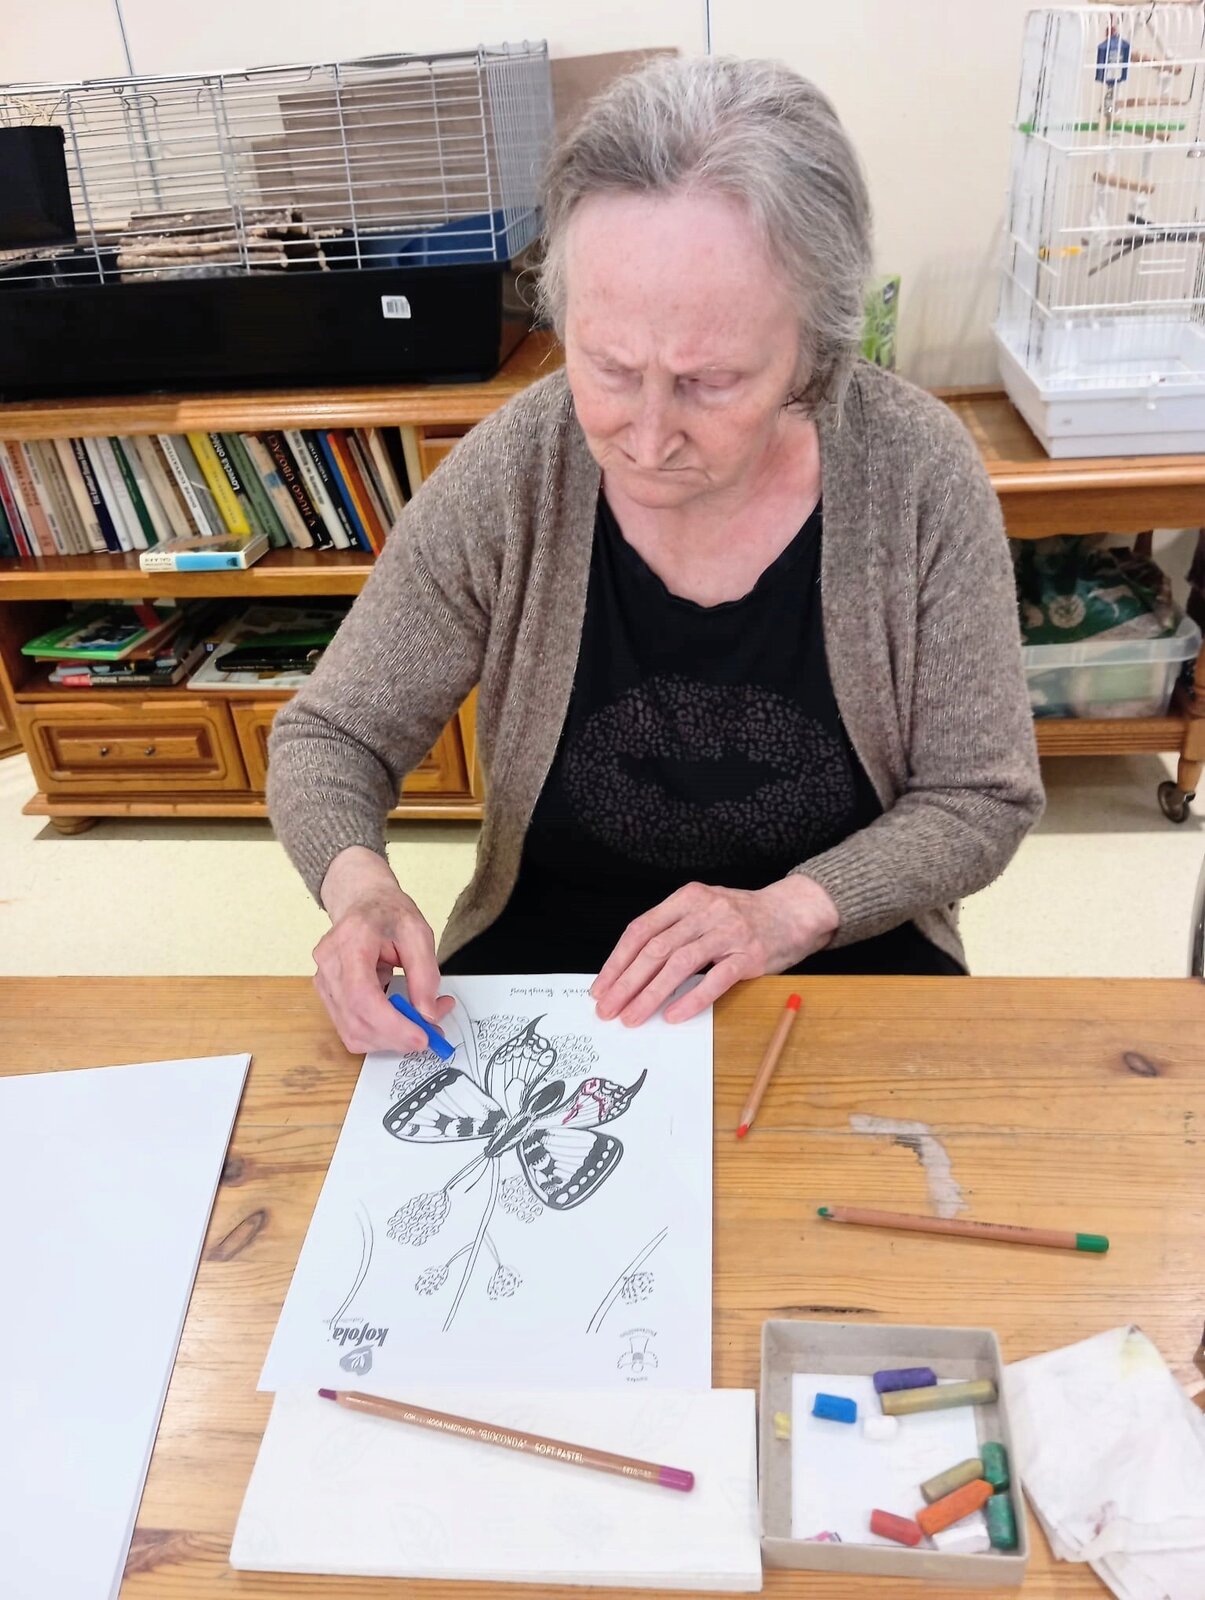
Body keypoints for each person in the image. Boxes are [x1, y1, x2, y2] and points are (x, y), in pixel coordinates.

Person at [266, 54, 1044, 1058]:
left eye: (709, 381)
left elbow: (980, 795)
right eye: (607, 366)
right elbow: (330, 735)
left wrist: (788, 911)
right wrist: (358, 887)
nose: (643, 437)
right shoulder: (515, 472)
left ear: (813, 348)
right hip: (556, 973)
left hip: (840, 958)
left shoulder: (914, 472)